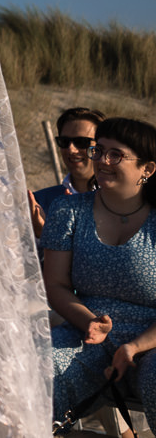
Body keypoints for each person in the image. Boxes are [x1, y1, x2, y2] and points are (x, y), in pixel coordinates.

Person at [42, 116, 156, 420]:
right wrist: (91, 323)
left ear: (147, 169)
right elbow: (56, 285)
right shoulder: (67, 211)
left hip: (151, 341)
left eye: (115, 154)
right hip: (86, 331)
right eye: (99, 150)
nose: (102, 161)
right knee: (37, 371)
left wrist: (133, 346)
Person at [33, 107, 103, 238]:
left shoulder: (122, 202)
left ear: (102, 147)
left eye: (81, 142)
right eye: (64, 142)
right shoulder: (39, 203)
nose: (71, 149)